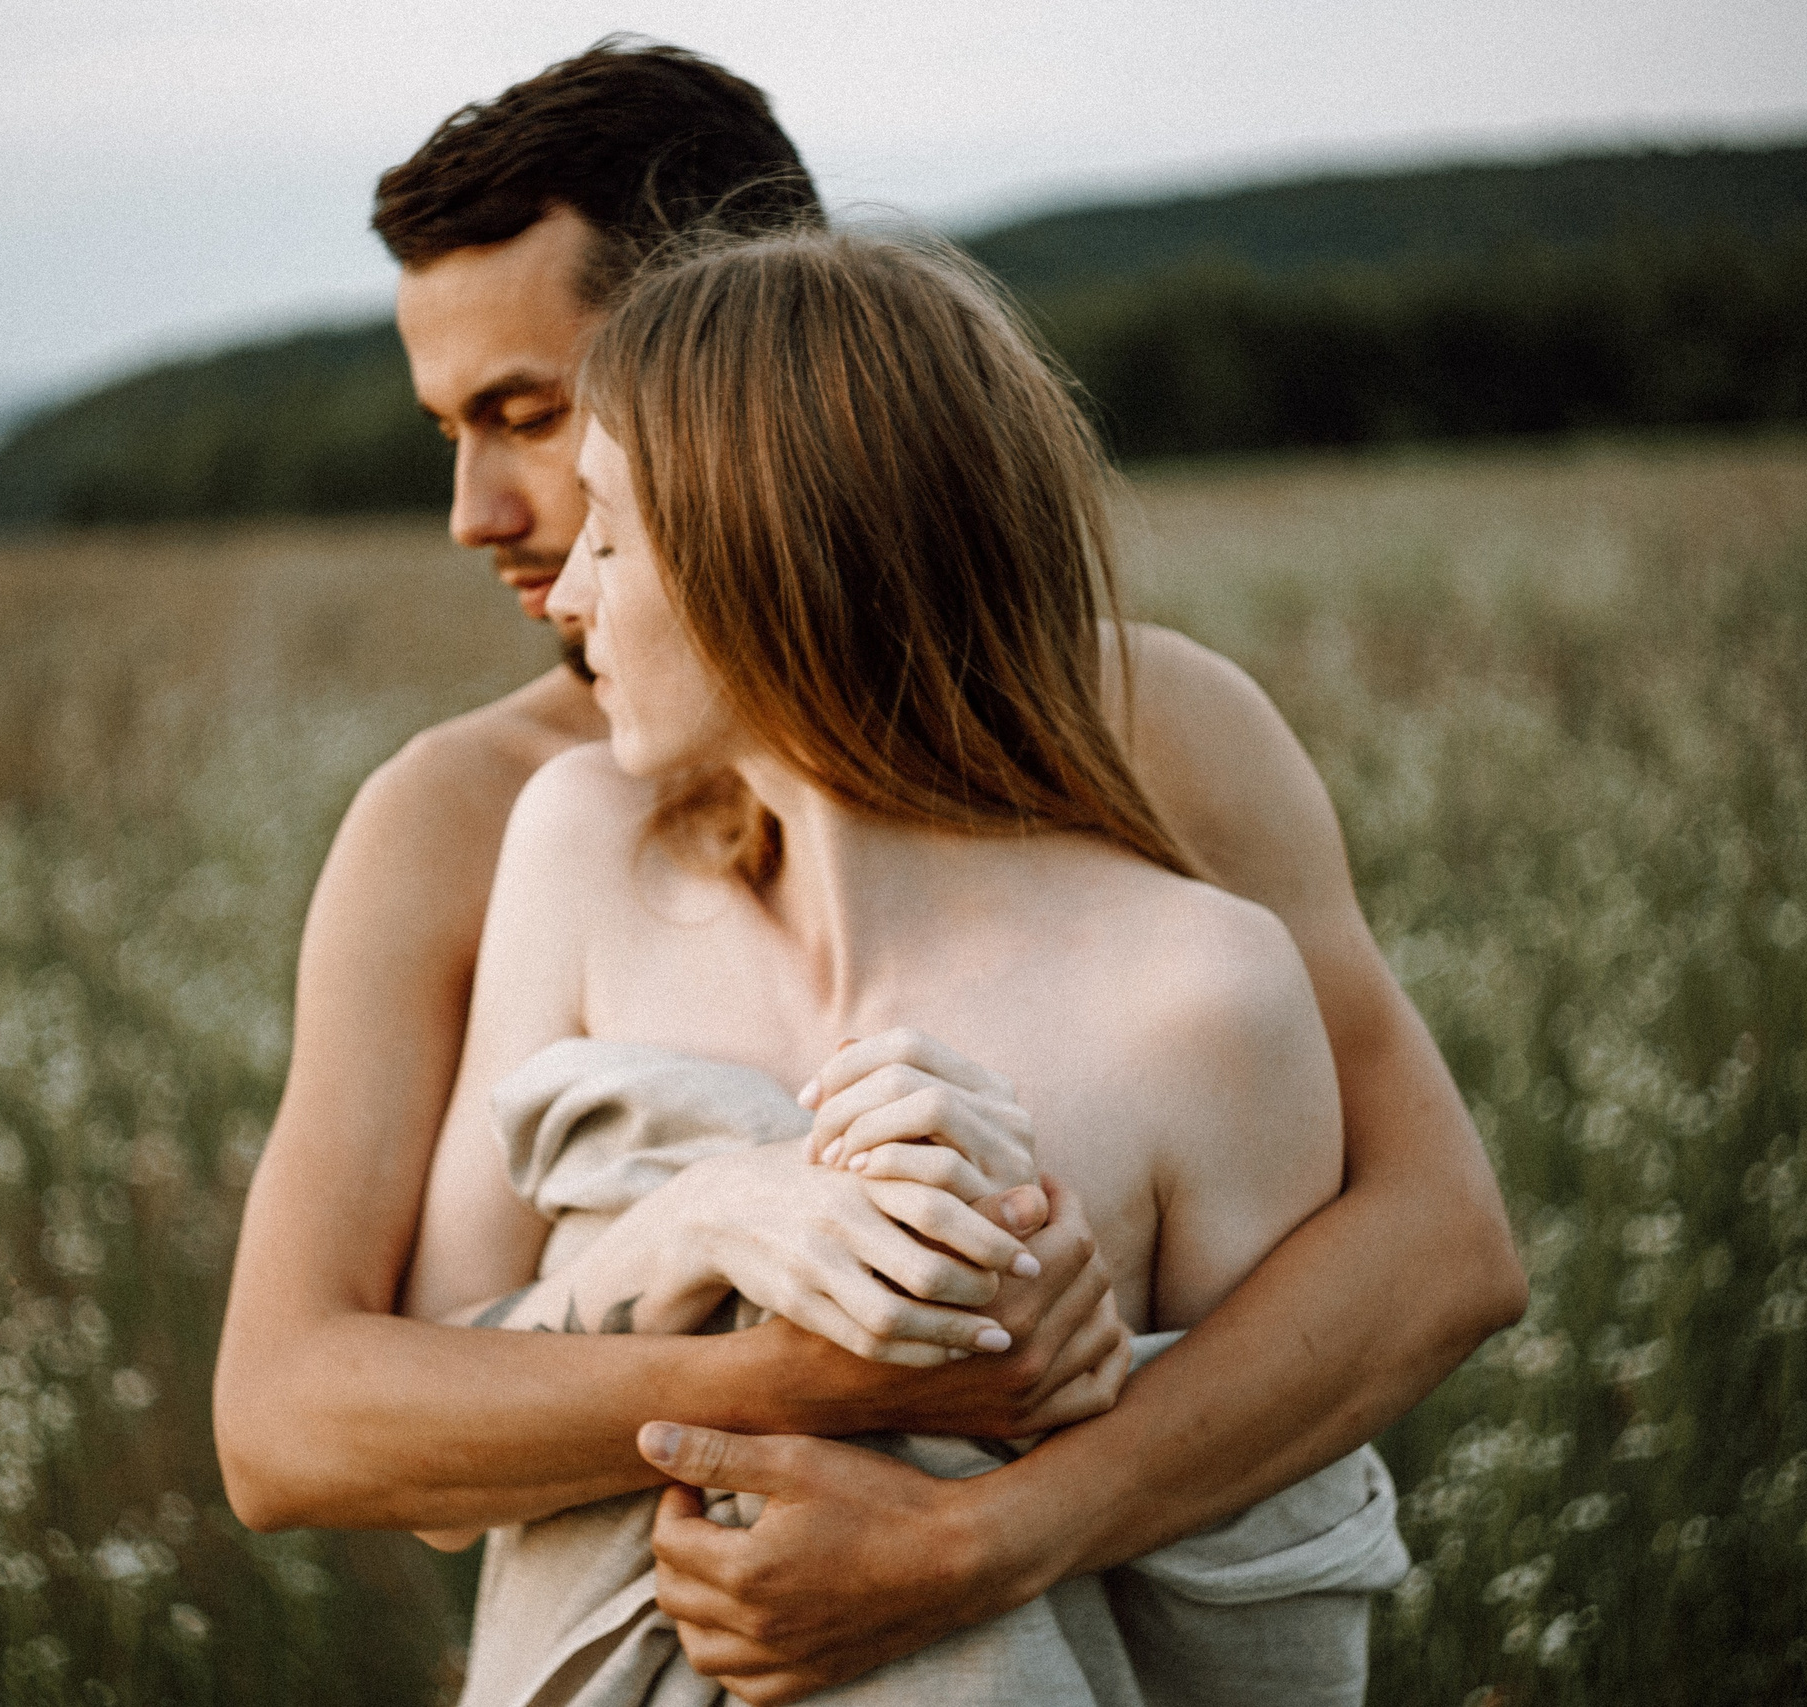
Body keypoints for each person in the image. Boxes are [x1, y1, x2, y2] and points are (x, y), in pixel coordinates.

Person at [212, 37, 1527, 1703]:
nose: (476, 509)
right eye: (449, 429)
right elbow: (288, 1421)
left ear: (762, 369)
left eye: (530, 415)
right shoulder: (469, 818)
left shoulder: (1162, 728)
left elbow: (1437, 1246)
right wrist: (815, 1364)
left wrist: (996, 1539)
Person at [404, 226, 1416, 1707]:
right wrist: (698, 1222)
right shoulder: (574, 852)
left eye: (609, 537)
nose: (564, 602)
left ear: (770, 556)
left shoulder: (1198, 995)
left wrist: (1058, 1409)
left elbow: (1267, 1652)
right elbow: (436, 1469)